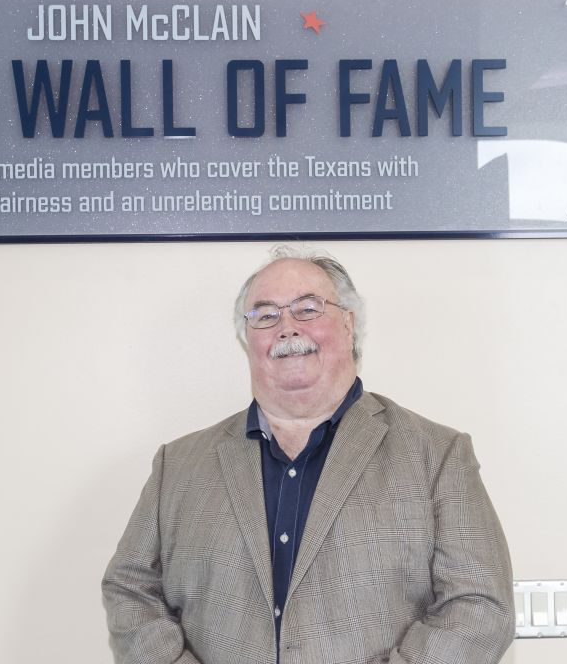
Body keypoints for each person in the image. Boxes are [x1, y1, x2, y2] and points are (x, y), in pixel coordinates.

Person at [102, 245, 514, 664]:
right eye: (265, 315)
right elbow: (129, 588)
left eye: (307, 308)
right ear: (248, 339)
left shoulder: (437, 456)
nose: (286, 328)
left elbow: (480, 608)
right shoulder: (179, 465)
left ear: (349, 323)